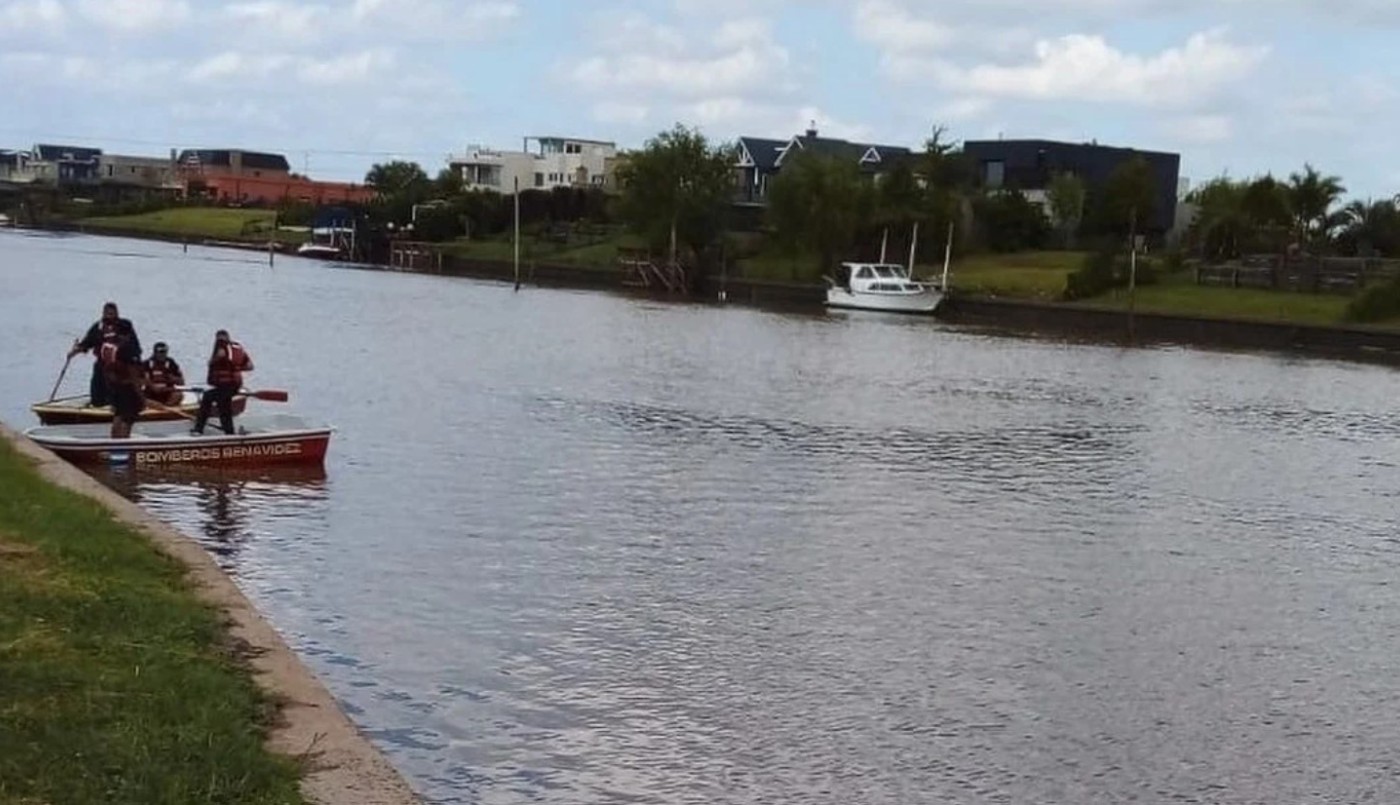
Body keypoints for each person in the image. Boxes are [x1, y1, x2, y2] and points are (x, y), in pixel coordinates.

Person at [67, 301, 139, 408]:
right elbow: (87, 343)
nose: (110, 315)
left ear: (117, 313)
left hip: (119, 365)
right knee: (97, 392)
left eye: (112, 313)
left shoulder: (125, 325)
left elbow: (133, 344)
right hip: (102, 364)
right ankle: (97, 403)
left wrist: (134, 360)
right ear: (103, 313)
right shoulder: (98, 327)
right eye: (108, 313)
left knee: (117, 389)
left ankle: (119, 404)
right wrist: (75, 351)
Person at [192, 329, 253, 436]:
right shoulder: (237, 348)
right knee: (223, 405)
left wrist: (212, 362)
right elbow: (249, 366)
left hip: (226, 385)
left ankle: (199, 429)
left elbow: (220, 355)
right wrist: (236, 368)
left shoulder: (222, 347)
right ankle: (229, 431)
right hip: (233, 385)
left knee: (208, 398)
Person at [100, 321, 144, 438]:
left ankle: (114, 441)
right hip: (127, 388)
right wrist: (141, 396)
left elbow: (107, 369)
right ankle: (123, 442)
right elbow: (133, 375)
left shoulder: (109, 347)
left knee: (118, 415)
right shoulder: (129, 349)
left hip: (114, 387)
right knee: (127, 419)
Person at [142, 342, 185, 406]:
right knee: (141, 398)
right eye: (160, 352)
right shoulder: (147, 364)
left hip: (167, 393)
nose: (163, 354)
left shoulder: (171, 363)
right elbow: (142, 380)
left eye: (165, 352)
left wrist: (172, 378)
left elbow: (182, 382)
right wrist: (152, 386)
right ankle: (157, 406)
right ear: (155, 352)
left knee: (178, 395)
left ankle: (166, 406)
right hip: (151, 394)